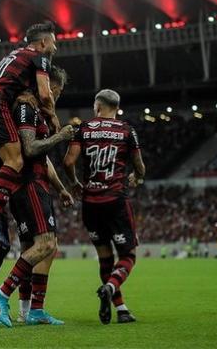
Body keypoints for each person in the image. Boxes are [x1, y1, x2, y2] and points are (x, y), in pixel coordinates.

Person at [0, 65, 75, 327]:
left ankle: (30, 311)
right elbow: (30, 148)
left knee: (34, 248)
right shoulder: (26, 108)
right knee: (46, 244)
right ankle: (1, 295)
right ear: (48, 86)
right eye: (55, 90)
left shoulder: (35, 110)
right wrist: (61, 135)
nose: (56, 96)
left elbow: (43, 158)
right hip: (28, 184)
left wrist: (60, 188)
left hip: (35, 183)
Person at [0, 22, 62, 249]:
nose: (55, 49)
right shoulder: (40, 57)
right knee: (15, 160)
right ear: (43, 42)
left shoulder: (12, 56)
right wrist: (53, 117)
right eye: (53, 43)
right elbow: (46, 95)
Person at [63, 89, 144, 325]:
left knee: (105, 258)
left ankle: (121, 308)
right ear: (116, 107)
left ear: (97, 106)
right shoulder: (127, 130)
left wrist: (76, 183)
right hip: (116, 200)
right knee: (128, 255)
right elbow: (140, 166)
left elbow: (68, 161)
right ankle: (110, 286)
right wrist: (136, 177)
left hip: (90, 203)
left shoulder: (84, 128)